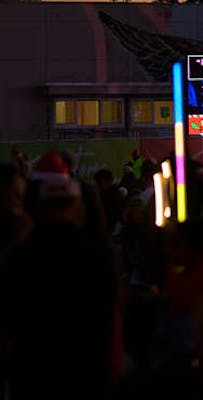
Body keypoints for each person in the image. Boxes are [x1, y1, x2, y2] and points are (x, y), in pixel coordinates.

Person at [0, 152, 119, 399]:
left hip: (32, 370)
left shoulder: (22, 255)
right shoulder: (97, 256)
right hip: (87, 369)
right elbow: (110, 321)